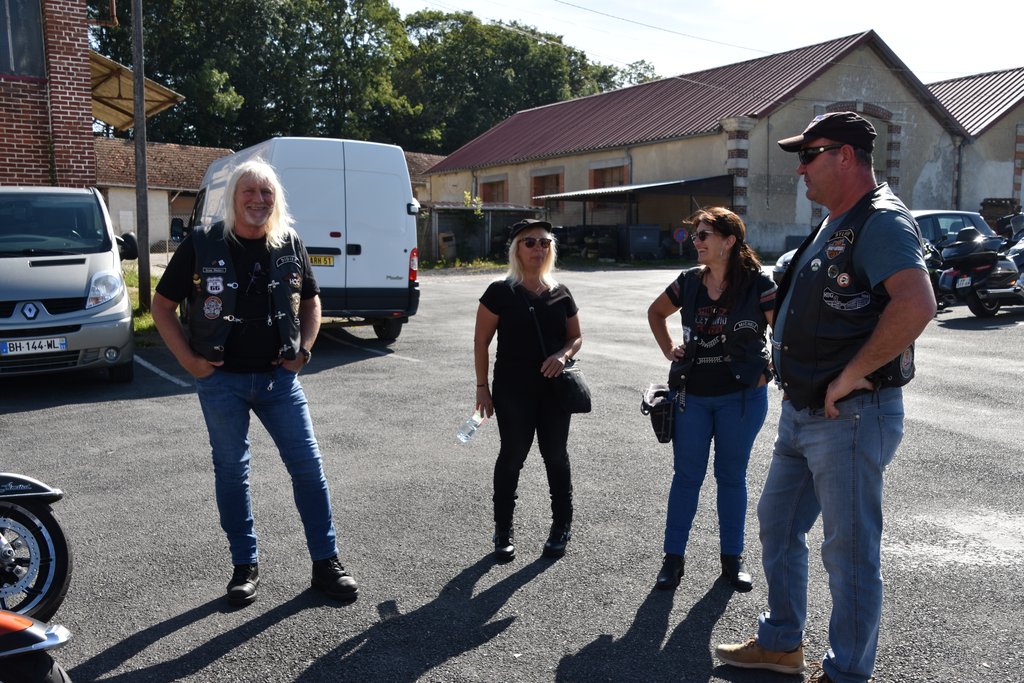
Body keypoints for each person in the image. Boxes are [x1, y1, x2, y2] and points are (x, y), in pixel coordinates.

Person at [715, 112, 935, 683]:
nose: (800, 168)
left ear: (846, 156)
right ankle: (781, 643)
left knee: (849, 551)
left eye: (809, 155)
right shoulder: (834, 222)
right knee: (778, 523)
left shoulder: (880, 220)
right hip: (803, 411)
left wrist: (853, 372)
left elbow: (916, 303)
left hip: (849, 415)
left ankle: (846, 673)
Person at [151, 159, 358, 606]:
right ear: (233, 197)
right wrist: (189, 361)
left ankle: (326, 563)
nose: (258, 200)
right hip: (220, 381)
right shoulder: (202, 243)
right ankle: (244, 566)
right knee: (232, 472)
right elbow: (162, 305)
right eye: (249, 191)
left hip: (278, 381)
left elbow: (312, 300)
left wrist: (304, 351)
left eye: (267, 192)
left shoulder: (289, 242)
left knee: (309, 468)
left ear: (276, 199)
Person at [647, 207, 776, 592]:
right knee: (687, 476)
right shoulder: (688, 282)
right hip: (692, 396)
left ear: (729, 241)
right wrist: (668, 348)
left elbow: (784, 332)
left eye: (704, 235)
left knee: (731, 477)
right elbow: (656, 312)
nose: (696, 242)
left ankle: (732, 559)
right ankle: (673, 559)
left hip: (742, 397)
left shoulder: (759, 284)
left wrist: (771, 370)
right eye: (695, 235)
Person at [473, 219, 583, 562]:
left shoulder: (561, 292)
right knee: (512, 456)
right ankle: (503, 530)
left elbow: (575, 337)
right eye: (530, 242)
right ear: (516, 249)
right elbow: (480, 342)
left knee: (556, 456)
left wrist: (563, 356)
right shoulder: (499, 292)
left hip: (554, 392)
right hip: (512, 390)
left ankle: (561, 526)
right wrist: (482, 388)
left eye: (545, 243)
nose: (538, 248)